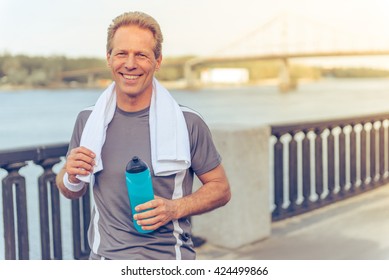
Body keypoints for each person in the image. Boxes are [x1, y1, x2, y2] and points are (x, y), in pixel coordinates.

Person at [56, 11, 231, 260]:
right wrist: (70, 175)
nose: (130, 64)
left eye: (141, 55)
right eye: (121, 53)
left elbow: (221, 188)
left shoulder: (188, 122)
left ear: (158, 61)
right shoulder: (88, 120)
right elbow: (71, 190)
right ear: (109, 58)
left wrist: (175, 208)